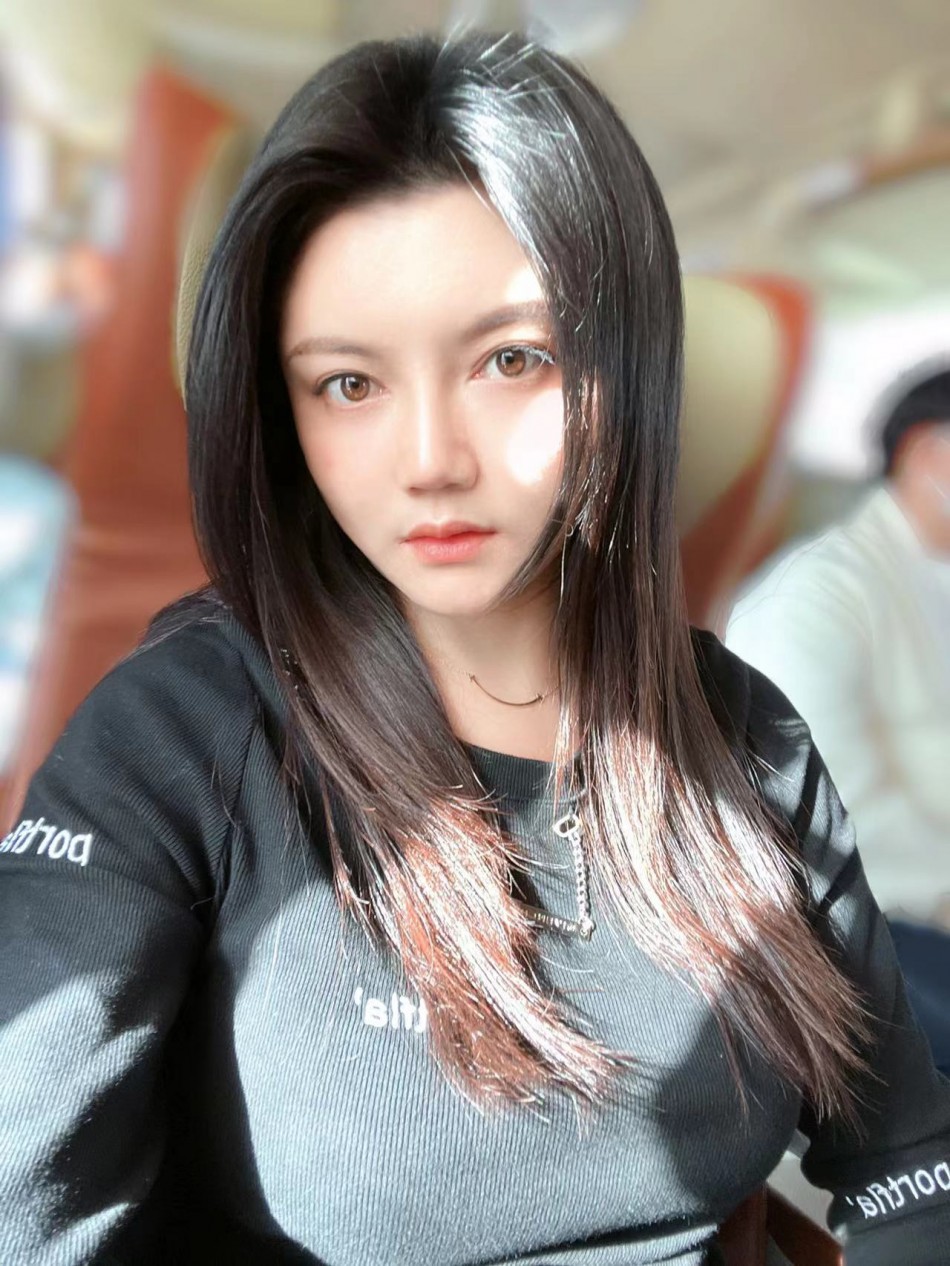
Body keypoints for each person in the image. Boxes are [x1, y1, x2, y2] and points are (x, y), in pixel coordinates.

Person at [1, 32, 949, 1266]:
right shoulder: (180, 733)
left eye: (511, 360)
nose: (430, 461)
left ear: (618, 371)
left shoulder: (742, 734)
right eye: (348, 385)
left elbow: (903, 1162)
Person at [726, 372, 950, 1073]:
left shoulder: (929, 579)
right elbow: (826, 817)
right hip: (868, 927)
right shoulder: (815, 597)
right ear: (926, 454)